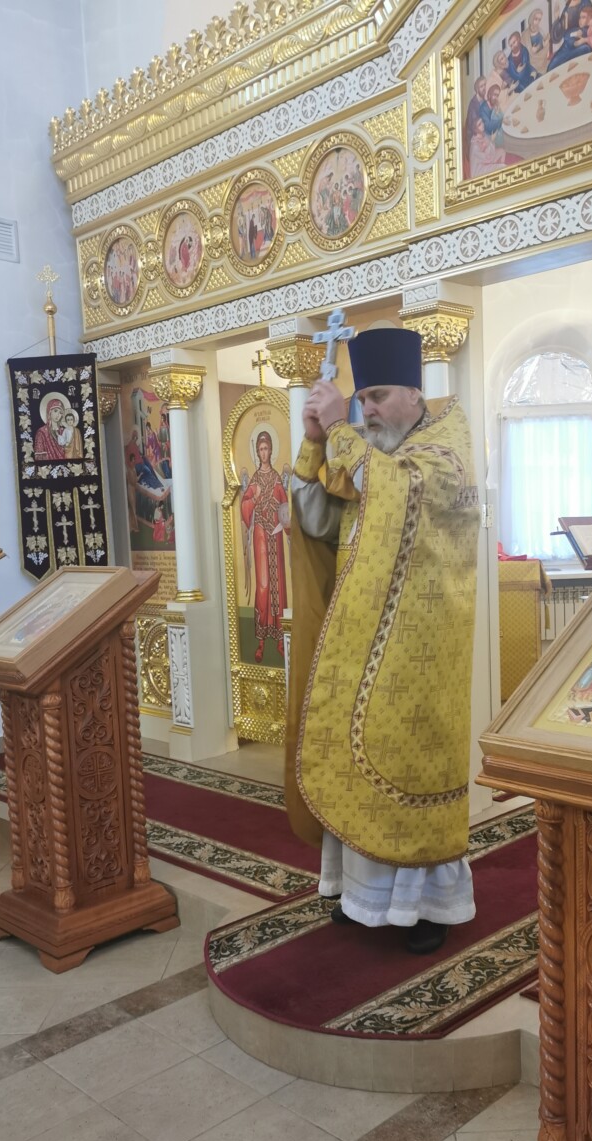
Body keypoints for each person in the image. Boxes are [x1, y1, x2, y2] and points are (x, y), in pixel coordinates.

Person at [286, 327, 480, 955]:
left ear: (414, 393)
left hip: (422, 654)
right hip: (358, 642)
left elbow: (400, 492)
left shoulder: (444, 451)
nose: (367, 410)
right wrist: (315, 444)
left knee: (410, 768)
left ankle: (425, 908)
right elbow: (316, 523)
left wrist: (336, 427)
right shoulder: (370, 454)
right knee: (352, 766)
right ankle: (359, 894)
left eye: (378, 397)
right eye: (362, 399)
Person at [241, 430, 289, 662]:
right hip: (260, 533)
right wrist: (255, 498)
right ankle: (260, 641)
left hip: (275, 534)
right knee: (263, 584)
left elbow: (285, 508)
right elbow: (244, 506)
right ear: (257, 452)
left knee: (278, 582)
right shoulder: (255, 480)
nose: (263, 453)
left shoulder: (277, 478)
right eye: (260, 449)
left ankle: (280, 638)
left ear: (271, 450)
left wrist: (286, 524)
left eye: (266, 448)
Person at [34, 397, 68, 461]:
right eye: (55, 411)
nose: (58, 415)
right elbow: (39, 456)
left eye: (60, 413)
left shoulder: (63, 431)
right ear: (49, 411)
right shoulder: (42, 432)